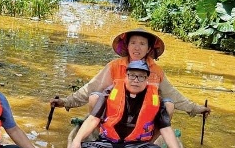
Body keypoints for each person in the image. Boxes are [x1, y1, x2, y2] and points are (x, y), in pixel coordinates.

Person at [66, 60, 187, 148]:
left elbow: (166, 128)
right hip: (109, 144)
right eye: (132, 75)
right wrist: (76, 141)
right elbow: (93, 119)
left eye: (141, 77)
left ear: (147, 80)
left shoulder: (155, 99)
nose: (136, 80)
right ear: (126, 76)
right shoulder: (109, 92)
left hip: (136, 147)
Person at [50, 29, 210, 118]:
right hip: (115, 115)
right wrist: (66, 101)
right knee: (95, 97)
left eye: (142, 44)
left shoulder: (156, 71)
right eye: (133, 43)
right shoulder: (114, 66)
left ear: (149, 49)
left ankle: (153, 145)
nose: (137, 48)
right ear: (127, 46)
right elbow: (92, 87)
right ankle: (98, 136)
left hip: (143, 118)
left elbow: (173, 95)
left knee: (168, 104)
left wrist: (196, 108)